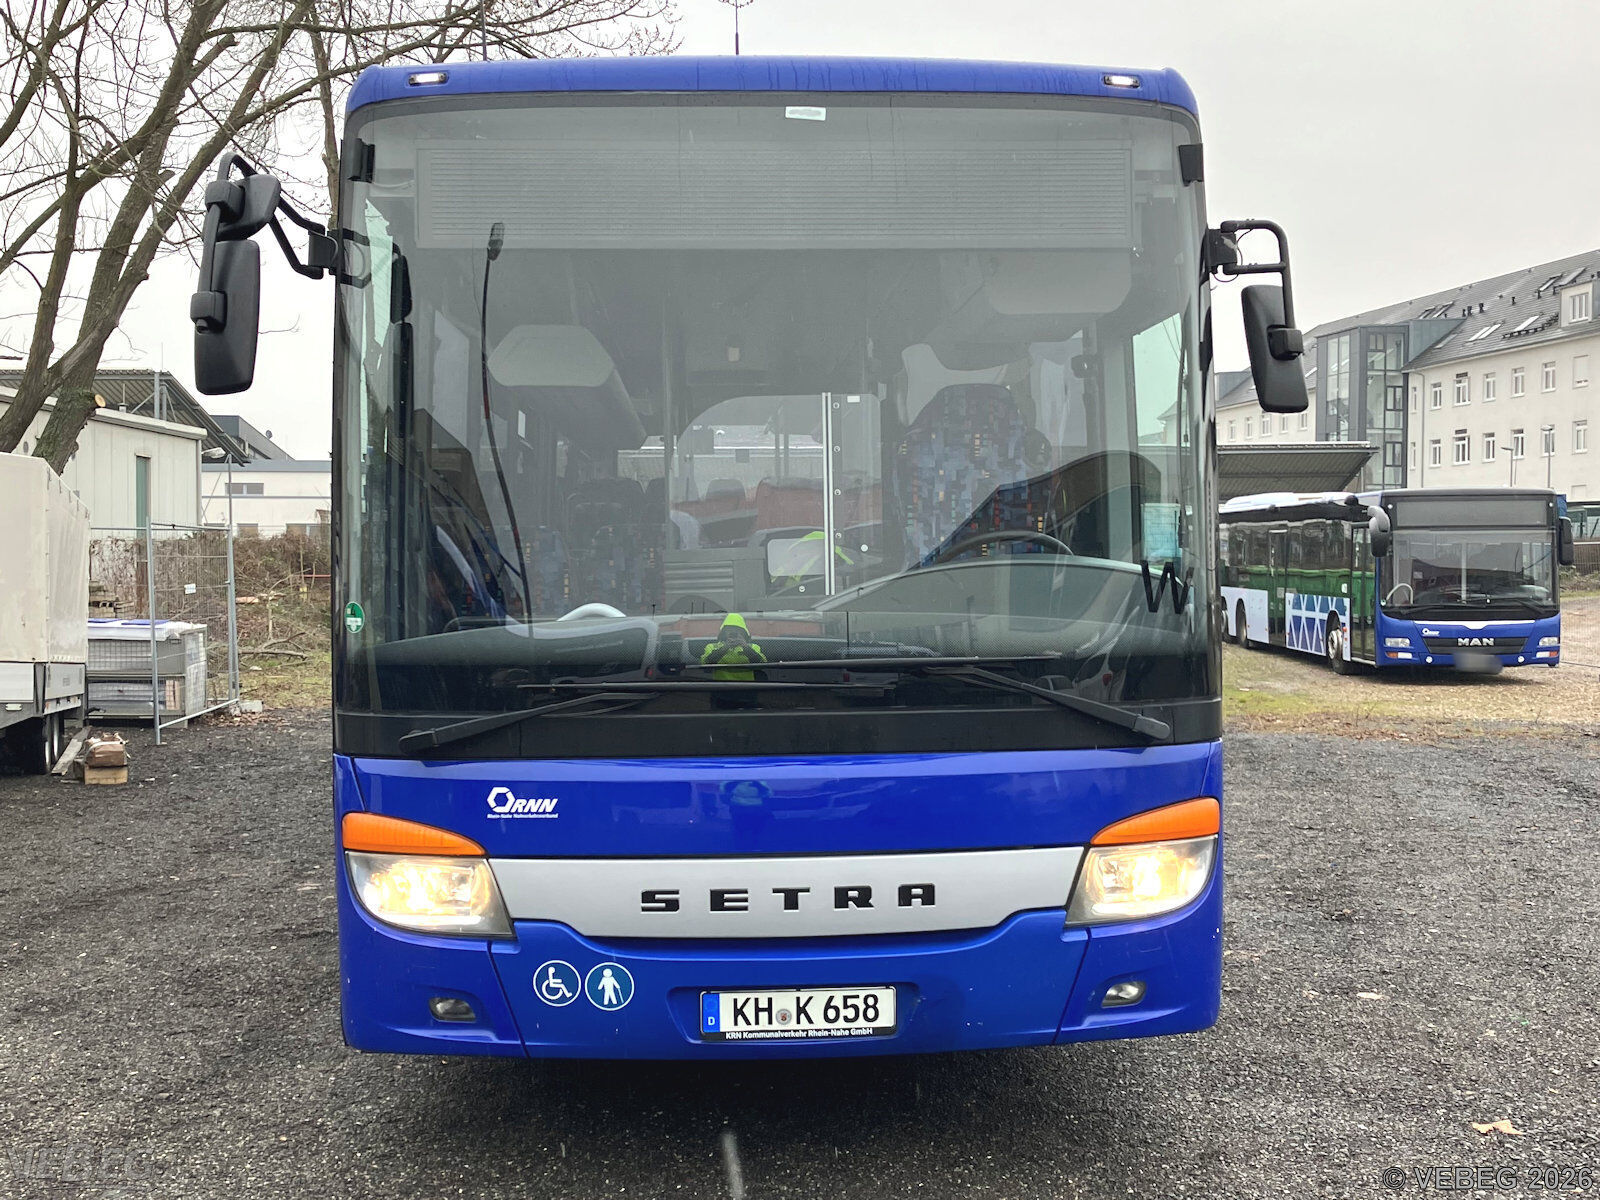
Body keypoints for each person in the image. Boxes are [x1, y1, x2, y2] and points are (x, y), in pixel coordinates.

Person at [699, 612, 767, 681]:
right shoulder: (712, 647)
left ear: (743, 632)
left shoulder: (753, 647)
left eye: (737, 630)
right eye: (730, 630)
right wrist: (725, 648)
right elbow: (706, 666)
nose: (734, 632)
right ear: (724, 632)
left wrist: (746, 648)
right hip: (721, 686)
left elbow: (762, 664)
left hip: (747, 686)